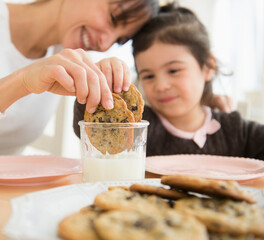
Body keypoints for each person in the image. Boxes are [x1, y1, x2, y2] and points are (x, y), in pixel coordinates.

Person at [0, 0, 160, 177]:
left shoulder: (68, 55)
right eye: (113, 17)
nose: (105, 43)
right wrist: (21, 83)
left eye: (119, 39)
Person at [73, 4, 264, 159]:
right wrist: (96, 83)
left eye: (174, 70)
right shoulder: (139, 126)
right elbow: (88, 123)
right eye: (148, 75)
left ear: (207, 67)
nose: (161, 86)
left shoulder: (234, 130)